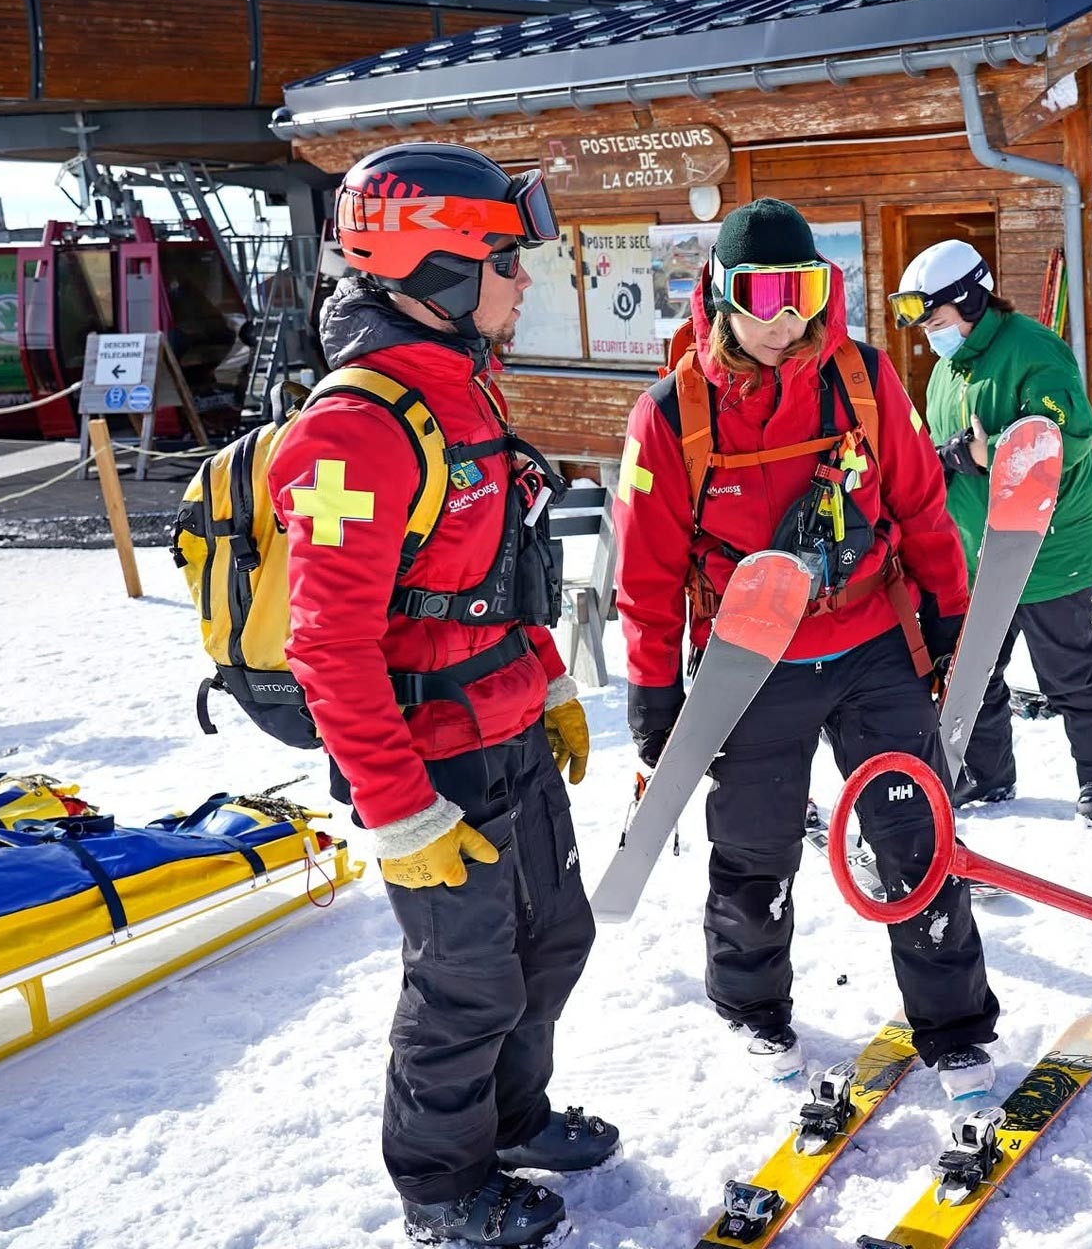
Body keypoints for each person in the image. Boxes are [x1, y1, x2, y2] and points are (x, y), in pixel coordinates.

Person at [269, 142, 611, 1248]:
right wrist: (399, 807)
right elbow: (328, 643)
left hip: (508, 727)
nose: (526, 282)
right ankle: (439, 1183)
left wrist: (550, 679)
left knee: (553, 939)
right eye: (509, 260)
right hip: (433, 764)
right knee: (465, 982)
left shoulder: (464, 388)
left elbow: (492, 582)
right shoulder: (357, 424)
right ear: (441, 265)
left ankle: (510, 1122)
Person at [612, 198, 1001, 1097]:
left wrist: (948, 622)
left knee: (917, 834)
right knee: (755, 848)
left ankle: (952, 1026)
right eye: (765, 292)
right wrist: (654, 697)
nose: (788, 315)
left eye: (806, 289)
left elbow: (921, 510)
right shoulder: (670, 416)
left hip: (868, 640)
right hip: (751, 661)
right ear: (721, 293)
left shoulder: (862, 379)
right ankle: (754, 1008)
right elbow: (647, 574)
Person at [890, 240, 1092, 824]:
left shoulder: (1035, 353)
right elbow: (942, 456)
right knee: (972, 672)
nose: (930, 333)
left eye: (937, 319)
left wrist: (985, 450)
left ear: (971, 300)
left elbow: (1067, 439)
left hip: (1050, 554)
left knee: (1069, 672)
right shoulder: (950, 369)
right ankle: (987, 774)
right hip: (978, 554)